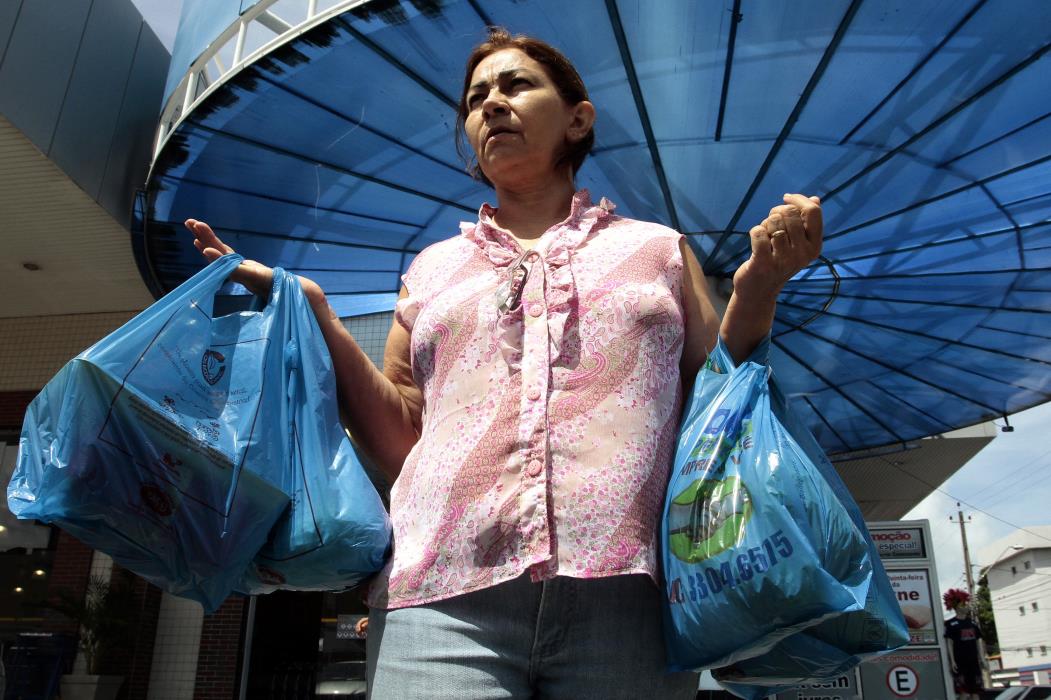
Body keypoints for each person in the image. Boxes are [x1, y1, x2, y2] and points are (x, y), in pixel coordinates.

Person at [186, 27, 822, 700]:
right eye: (476, 97)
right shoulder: (432, 269)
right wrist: (316, 313)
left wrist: (757, 291)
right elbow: (402, 436)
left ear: (577, 119)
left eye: (516, 85)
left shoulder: (658, 249)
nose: (491, 104)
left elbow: (717, 405)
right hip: (440, 593)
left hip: (629, 595)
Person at [943, 588, 983, 700]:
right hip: (960, 662)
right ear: (957, 607)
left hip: (974, 662)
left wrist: (982, 657)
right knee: (963, 691)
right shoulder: (951, 624)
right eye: (963, 604)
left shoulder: (972, 623)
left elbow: (979, 640)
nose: (966, 606)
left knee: (975, 691)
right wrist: (952, 660)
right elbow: (949, 642)